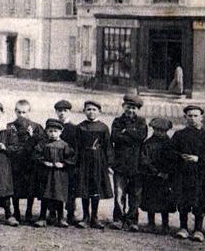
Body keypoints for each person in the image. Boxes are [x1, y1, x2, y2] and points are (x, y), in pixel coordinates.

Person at [170, 104, 205, 242]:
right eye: (189, 116)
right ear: (185, 118)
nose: (193, 119)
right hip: (183, 174)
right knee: (183, 202)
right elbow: (170, 152)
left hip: (201, 175)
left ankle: (198, 229)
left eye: (196, 116)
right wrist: (179, 156)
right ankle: (183, 228)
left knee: (199, 202)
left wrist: (199, 158)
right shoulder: (179, 135)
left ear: (201, 117)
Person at [110, 94, 147, 231]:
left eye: (133, 108)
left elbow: (141, 137)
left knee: (135, 194)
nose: (130, 110)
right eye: (128, 107)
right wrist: (131, 134)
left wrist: (126, 132)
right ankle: (118, 219)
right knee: (119, 192)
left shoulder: (142, 122)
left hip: (136, 164)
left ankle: (132, 220)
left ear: (137, 109)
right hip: (120, 163)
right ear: (123, 107)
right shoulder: (117, 121)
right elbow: (115, 137)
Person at [74, 100, 113, 229]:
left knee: (96, 188)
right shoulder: (80, 127)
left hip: (98, 161)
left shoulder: (103, 127)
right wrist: (76, 162)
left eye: (94, 109)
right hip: (84, 161)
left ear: (99, 112)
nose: (91, 112)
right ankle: (85, 216)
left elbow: (108, 146)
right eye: (88, 109)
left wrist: (108, 164)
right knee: (85, 188)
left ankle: (94, 217)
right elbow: (77, 146)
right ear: (84, 111)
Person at [33, 118, 76, 227]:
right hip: (46, 174)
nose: (53, 134)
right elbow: (36, 155)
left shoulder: (64, 145)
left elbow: (71, 158)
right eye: (50, 131)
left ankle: (60, 218)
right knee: (45, 195)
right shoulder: (43, 144)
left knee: (59, 196)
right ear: (47, 132)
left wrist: (63, 164)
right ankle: (42, 217)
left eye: (56, 131)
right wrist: (44, 162)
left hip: (59, 175)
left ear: (61, 132)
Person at [7, 99, 43, 224]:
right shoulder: (10, 126)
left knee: (31, 188)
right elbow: (9, 143)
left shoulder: (35, 126)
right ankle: (16, 212)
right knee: (16, 187)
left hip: (30, 162)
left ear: (29, 112)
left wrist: (32, 136)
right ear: (15, 111)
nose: (21, 115)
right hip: (16, 161)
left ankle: (28, 212)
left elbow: (40, 143)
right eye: (19, 112)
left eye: (24, 112)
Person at [140, 117, 175, 235]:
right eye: (157, 130)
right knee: (151, 200)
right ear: (153, 129)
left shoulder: (170, 143)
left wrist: (167, 172)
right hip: (151, 177)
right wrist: (155, 171)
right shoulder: (148, 143)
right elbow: (144, 160)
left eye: (163, 130)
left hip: (166, 178)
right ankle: (151, 223)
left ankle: (165, 224)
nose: (160, 133)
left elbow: (173, 160)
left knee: (165, 201)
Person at [53, 100, 80, 223]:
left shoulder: (74, 128)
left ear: (69, 112)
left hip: (69, 164)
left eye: (65, 111)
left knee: (70, 189)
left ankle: (70, 213)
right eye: (59, 111)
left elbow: (76, 148)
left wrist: (68, 162)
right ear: (56, 112)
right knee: (55, 187)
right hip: (55, 163)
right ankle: (54, 213)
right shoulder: (53, 127)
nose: (62, 113)